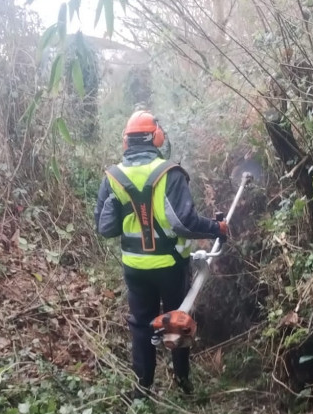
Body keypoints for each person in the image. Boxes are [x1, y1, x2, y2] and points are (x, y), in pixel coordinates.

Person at [94, 110, 229, 398]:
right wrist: (216, 227)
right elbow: (185, 223)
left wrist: (127, 207)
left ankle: (142, 388)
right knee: (177, 321)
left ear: (126, 142)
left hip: (135, 268)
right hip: (170, 265)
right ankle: (182, 381)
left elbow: (105, 228)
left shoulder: (113, 177)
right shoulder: (170, 173)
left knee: (141, 325)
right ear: (156, 137)